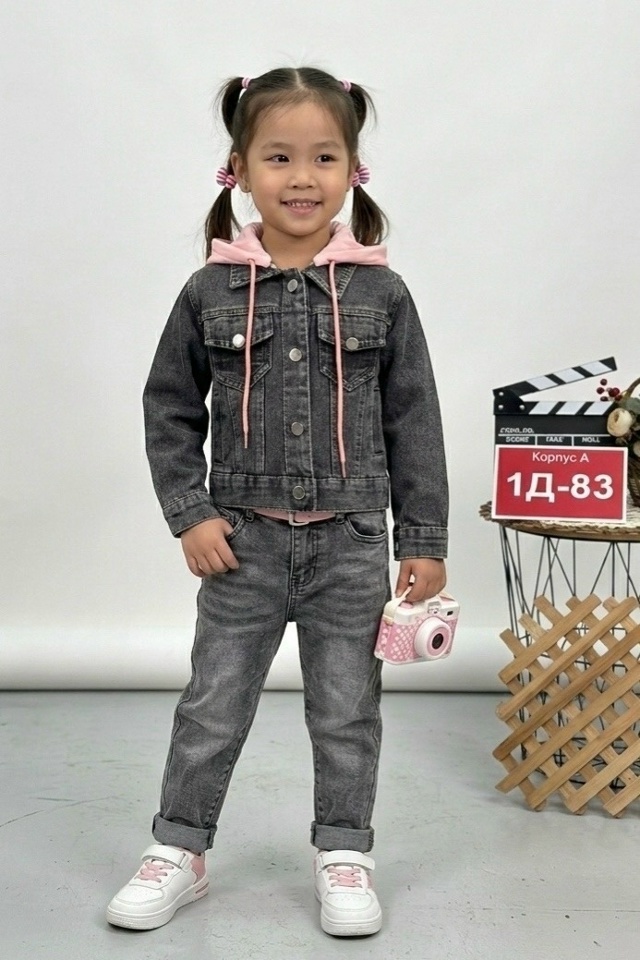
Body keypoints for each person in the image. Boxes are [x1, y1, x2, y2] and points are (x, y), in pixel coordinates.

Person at [106, 66, 448, 938]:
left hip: (352, 547)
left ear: (354, 169)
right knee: (211, 706)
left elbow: (414, 420)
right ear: (239, 169)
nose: (303, 177)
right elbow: (168, 408)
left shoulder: (383, 293)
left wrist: (423, 538)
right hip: (242, 547)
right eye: (280, 157)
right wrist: (190, 512)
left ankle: (345, 853)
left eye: (324, 157)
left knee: (347, 713)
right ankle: (179, 849)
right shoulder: (208, 291)